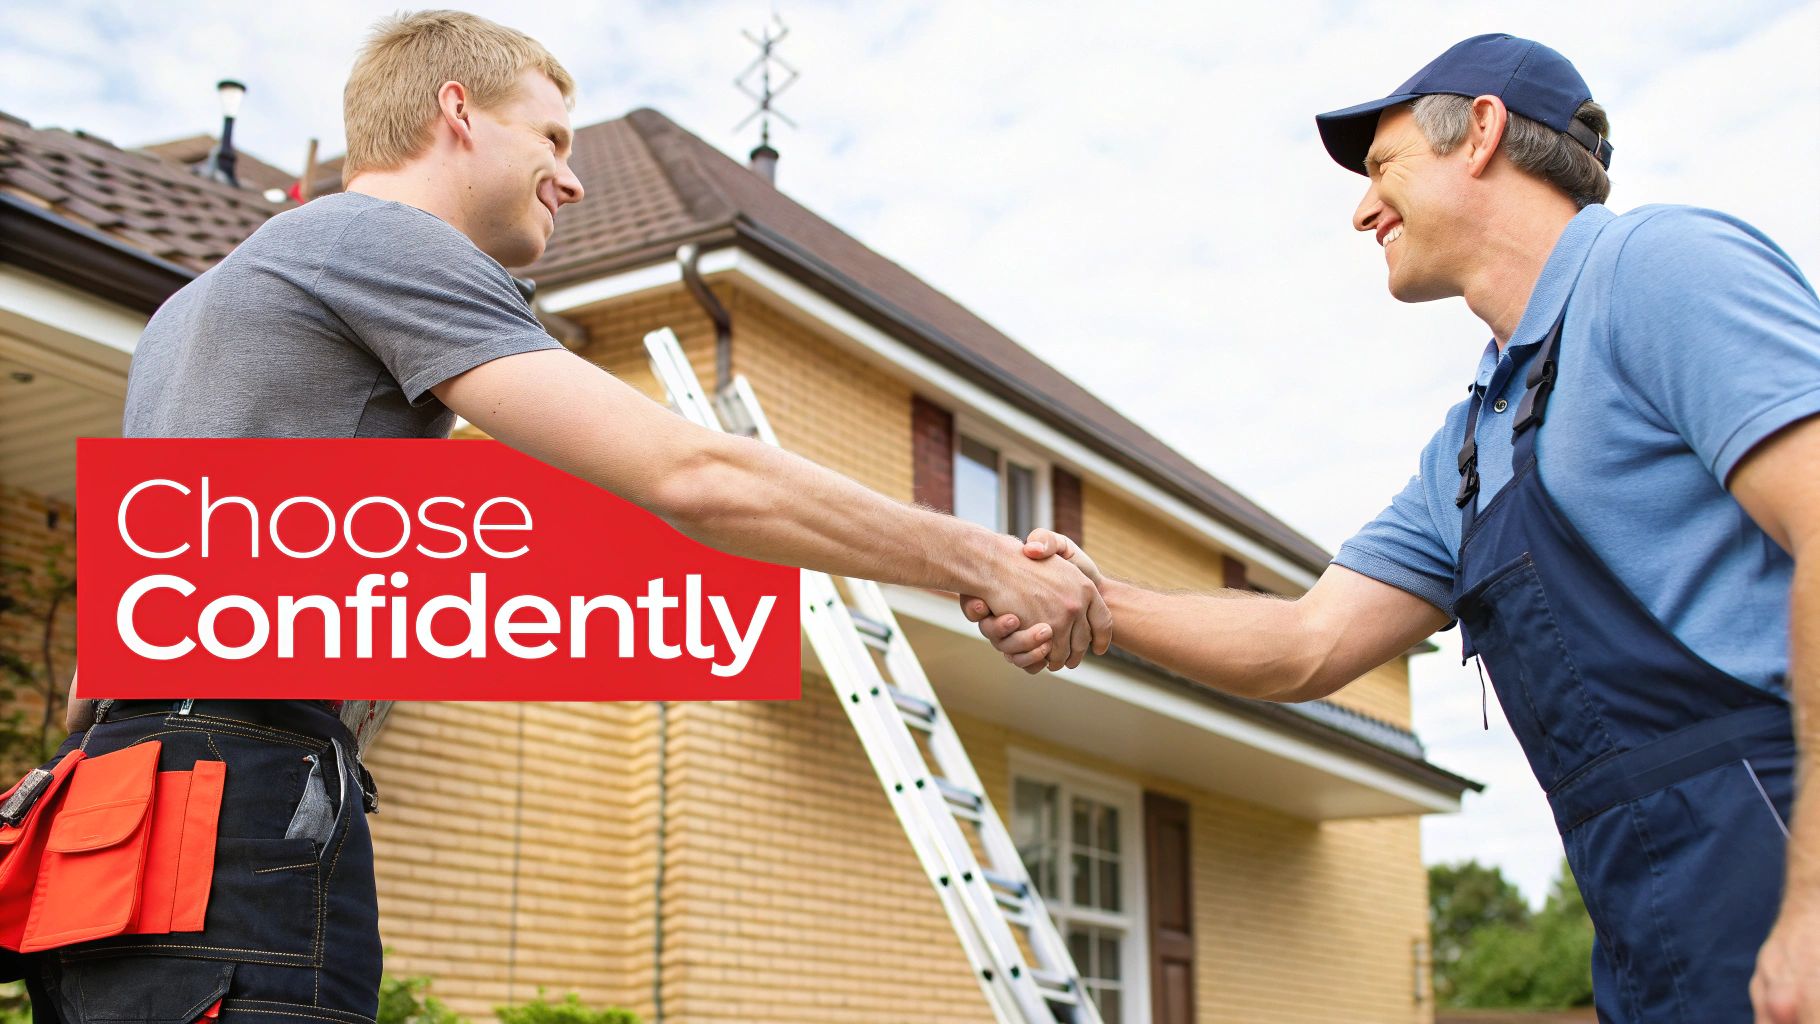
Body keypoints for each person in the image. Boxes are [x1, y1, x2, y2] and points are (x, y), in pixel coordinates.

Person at [15, 10, 1109, 1022]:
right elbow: (692, 474)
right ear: (456, 112)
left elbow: (99, 663)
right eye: (551, 137)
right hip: (241, 814)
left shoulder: (189, 312)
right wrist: (982, 556)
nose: (571, 179)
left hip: (114, 818)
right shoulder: (384, 242)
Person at [966, 33, 1820, 1023]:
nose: (1362, 207)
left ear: (1482, 134)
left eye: (1381, 166)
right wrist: (1088, 599)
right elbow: (1301, 643)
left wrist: (1808, 902)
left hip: (1783, 869)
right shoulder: (1469, 446)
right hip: (1650, 933)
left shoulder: (1657, 269)